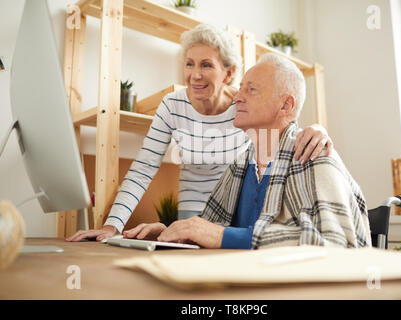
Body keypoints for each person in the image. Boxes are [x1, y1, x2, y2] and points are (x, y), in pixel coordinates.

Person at [66, 24, 334, 242]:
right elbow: (143, 168)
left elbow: (281, 128)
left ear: (228, 73)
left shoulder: (244, 109)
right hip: (195, 209)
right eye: (189, 64)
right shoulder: (173, 105)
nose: (195, 75)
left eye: (206, 65)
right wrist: (112, 226)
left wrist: (317, 129)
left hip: (236, 212)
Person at [154, 53, 372, 249]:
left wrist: (224, 236)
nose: (237, 97)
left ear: (286, 106)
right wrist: (171, 231)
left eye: (251, 89)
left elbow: (334, 244)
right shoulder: (239, 165)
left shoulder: (314, 154)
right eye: (240, 88)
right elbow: (207, 228)